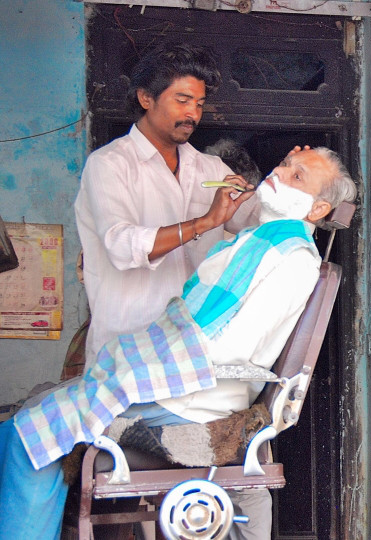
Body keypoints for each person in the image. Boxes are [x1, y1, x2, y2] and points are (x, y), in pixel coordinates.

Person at [0, 146, 357, 540]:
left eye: (297, 176)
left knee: (28, 435)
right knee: (26, 422)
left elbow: (234, 349)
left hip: (193, 396)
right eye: (285, 164)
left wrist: (146, 361)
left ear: (318, 210)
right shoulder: (260, 242)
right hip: (185, 387)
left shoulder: (291, 259)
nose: (280, 171)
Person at [72, 41, 268, 538]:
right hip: (128, 362)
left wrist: (294, 191)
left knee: (235, 479)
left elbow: (253, 217)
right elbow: (122, 246)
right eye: (181, 100)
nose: (193, 114)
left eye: (199, 104)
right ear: (145, 98)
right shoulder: (109, 166)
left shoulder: (205, 168)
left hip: (190, 361)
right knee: (135, 499)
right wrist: (204, 222)